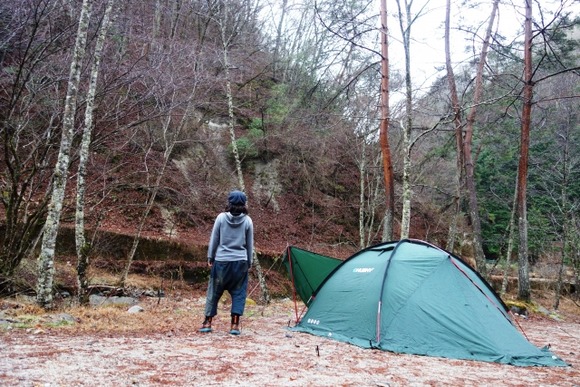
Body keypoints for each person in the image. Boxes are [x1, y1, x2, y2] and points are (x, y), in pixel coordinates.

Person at [199, 190, 253, 335]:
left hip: (222, 261)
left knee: (214, 292)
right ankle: (234, 325)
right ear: (243, 204)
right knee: (239, 293)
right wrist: (249, 262)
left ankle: (207, 322)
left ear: (229, 202)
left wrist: (211, 256)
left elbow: (214, 239)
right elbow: (249, 244)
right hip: (240, 262)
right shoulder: (247, 220)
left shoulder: (221, 218)